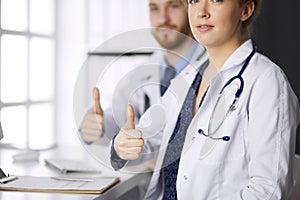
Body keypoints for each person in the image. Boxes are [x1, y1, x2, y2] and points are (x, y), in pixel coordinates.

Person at [111, 0, 300, 199]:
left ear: (245, 10)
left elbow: (268, 191)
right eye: (194, 0)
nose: (201, 12)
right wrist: (122, 145)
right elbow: (149, 134)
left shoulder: (266, 82)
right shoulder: (188, 77)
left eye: (216, 0)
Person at [80, 0, 207, 143]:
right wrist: (98, 126)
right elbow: (120, 118)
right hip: (147, 165)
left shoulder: (212, 68)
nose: (163, 19)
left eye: (173, 6)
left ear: (190, 8)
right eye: (154, 8)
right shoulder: (143, 72)